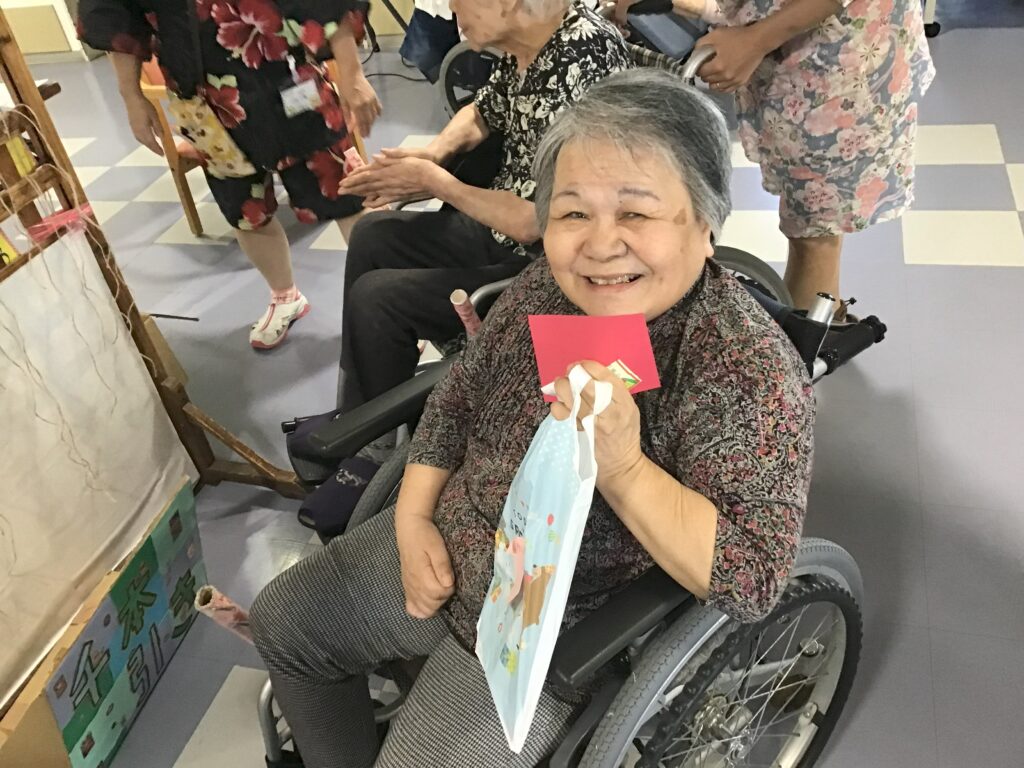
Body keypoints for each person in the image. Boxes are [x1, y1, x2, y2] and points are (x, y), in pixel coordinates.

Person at [250, 69, 815, 768]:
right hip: (449, 542)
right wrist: (412, 521)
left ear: (704, 226)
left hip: (553, 622)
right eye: (573, 213)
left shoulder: (743, 368)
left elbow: (752, 577)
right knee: (284, 622)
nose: (600, 246)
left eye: (636, 214)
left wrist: (625, 469)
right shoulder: (545, 288)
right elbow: (455, 399)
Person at [334, 0, 632, 412]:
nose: (451, 6)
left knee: (378, 301)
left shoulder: (581, 59)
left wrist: (435, 182)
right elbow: (482, 111)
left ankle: (370, 432)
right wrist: (434, 154)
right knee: (372, 234)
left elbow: (533, 221)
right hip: (504, 230)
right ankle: (357, 411)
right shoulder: (532, 42)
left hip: (552, 267)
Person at [77, 0, 382, 349]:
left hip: (289, 74)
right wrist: (131, 95)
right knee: (245, 209)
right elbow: (114, 15)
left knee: (348, 192)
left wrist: (352, 73)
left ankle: (388, 298)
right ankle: (286, 297)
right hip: (203, 98)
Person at [618, 0, 934, 312]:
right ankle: (822, 319)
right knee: (812, 225)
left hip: (838, 64)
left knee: (815, 230)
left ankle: (815, 334)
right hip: (810, 56)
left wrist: (755, 40)